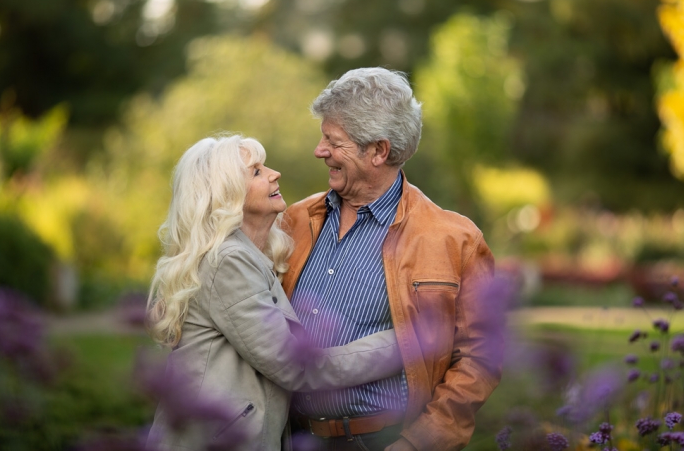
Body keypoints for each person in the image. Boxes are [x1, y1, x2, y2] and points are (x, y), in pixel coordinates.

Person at [282, 68, 502, 451]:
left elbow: (479, 360)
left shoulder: (455, 239)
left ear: (379, 151)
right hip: (291, 438)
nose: (319, 150)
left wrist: (418, 444)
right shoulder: (294, 221)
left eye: (333, 141)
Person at [145, 135, 404, 451]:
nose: (273, 173)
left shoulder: (248, 254)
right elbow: (294, 365)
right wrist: (403, 344)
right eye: (255, 171)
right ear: (226, 195)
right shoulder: (227, 260)